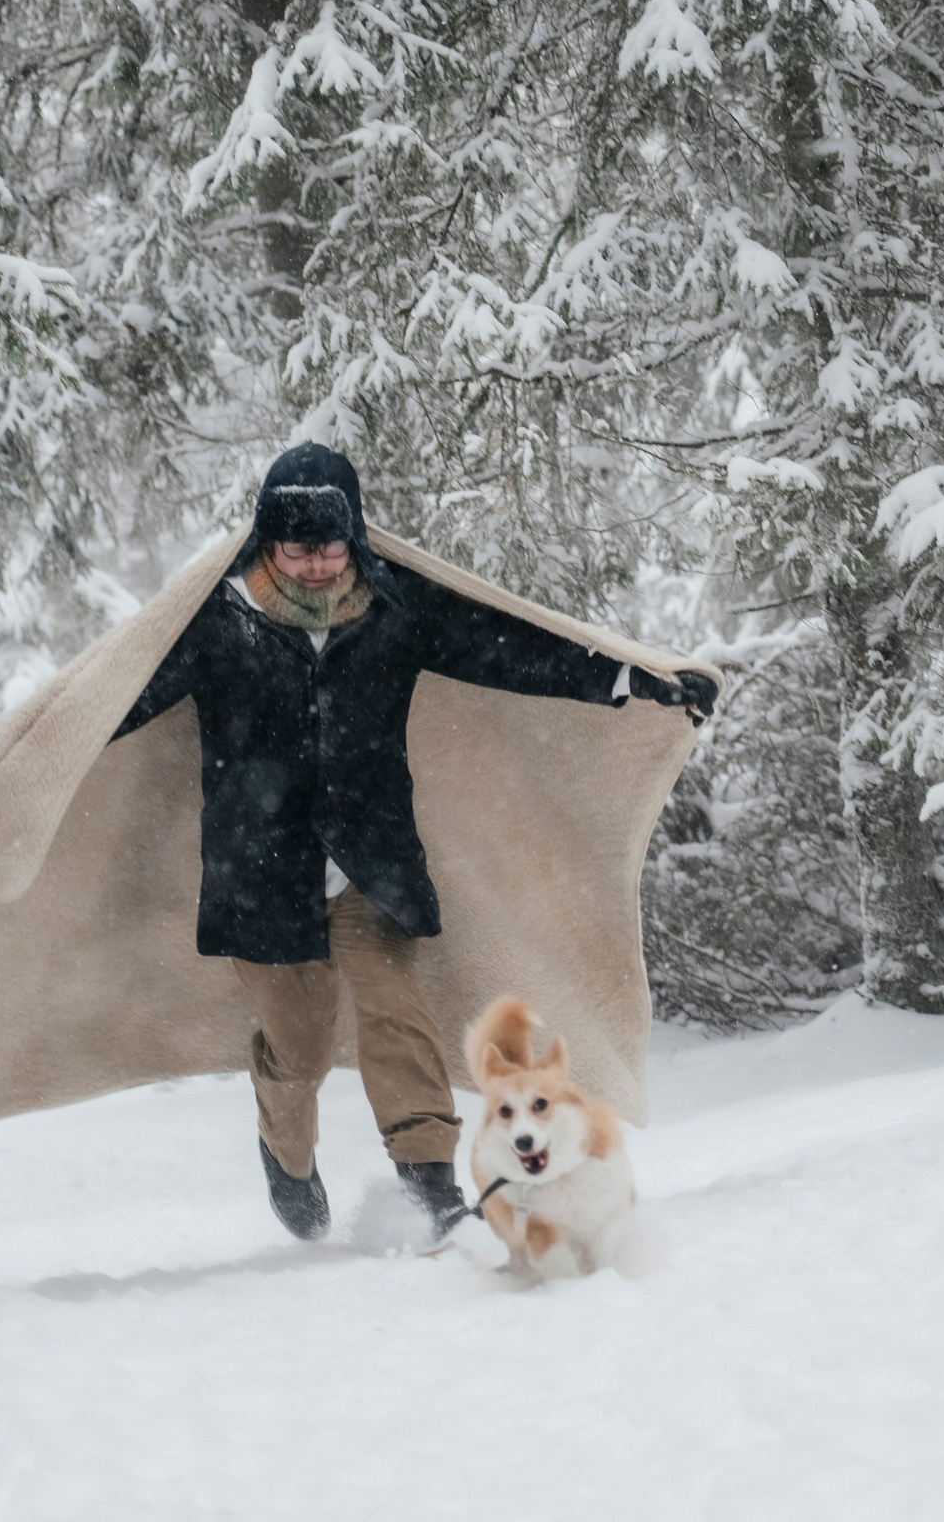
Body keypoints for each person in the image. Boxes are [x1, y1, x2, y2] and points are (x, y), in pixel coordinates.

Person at [110, 444, 716, 1239]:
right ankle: (285, 1155)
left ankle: (429, 1183)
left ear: (354, 537)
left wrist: (631, 678)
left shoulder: (396, 607)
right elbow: (116, 701)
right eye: (296, 547)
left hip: (371, 864)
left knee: (398, 1012)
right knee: (300, 1044)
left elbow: (509, 646)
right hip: (259, 877)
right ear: (266, 541)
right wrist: (36, 761)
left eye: (330, 545)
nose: (316, 564)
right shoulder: (217, 622)